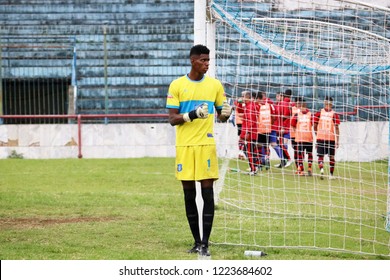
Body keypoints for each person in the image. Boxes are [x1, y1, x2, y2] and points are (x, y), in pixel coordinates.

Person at [166, 44, 232, 257]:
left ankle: (205, 242)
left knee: (207, 194)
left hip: (205, 144)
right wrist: (192, 115)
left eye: (208, 61)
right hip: (184, 146)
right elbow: (172, 119)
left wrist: (226, 114)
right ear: (192, 60)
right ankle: (196, 241)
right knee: (189, 195)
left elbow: (221, 115)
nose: (207, 64)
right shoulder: (177, 85)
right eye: (203, 60)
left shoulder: (214, 85)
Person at [313, 96, 340, 179]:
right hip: (330, 138)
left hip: (320, 137)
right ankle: (331, 175)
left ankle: (321, 169)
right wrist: (337, 141)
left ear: (324, 103)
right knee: (331, 157)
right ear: (332, 103)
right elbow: (337, 128)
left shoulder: (319, 113)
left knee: (320, 156)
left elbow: (314, 125)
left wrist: (317, 134)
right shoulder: (334, 114)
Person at [290, 97, 314, 176]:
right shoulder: (310, 114)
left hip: (301, 138)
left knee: (300, 154)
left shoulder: (298, 115)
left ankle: (303, 170)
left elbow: (293, 125)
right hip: (307, 137)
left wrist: (297, 131)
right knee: (308, 153)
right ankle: (308, 168)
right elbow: (314, 124)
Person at [240, 91, 260, 175]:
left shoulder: (250, 106)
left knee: (250, 150)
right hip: (251, 131)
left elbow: (251, 120)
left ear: (247, 97)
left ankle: (253, 169)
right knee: (252, 150)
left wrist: (247, 132)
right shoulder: (249, 105)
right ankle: (256, 166)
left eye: (243, 96)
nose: (242, 98)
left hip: (251, 132)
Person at [256, 91, 276, 170]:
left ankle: (261, 162)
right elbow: (274, 116)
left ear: (258, 98)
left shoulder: (256, 106)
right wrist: (270, 124)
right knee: (266, 145)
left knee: (259, 146)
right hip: (268, 128)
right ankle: (267, 159)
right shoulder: (269, 105)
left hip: (259, 129)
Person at [234, 91, 251, 160]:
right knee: (242, 138)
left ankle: (242, 153)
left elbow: (242, 113)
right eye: (242, 95)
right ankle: (241, 153)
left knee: (245, 139)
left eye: (243, 96)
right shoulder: (240, 102)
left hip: (246, 123)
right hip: (240, 123)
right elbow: (237, 107)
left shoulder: (248, 104)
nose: (242, 97)